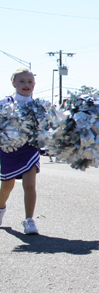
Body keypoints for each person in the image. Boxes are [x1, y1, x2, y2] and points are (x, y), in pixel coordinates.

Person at [0, 69, 42, 234]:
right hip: (9, 150)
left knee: (29, 184)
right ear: (13, 83)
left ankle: (29, 220)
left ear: (34, 85)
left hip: (29, 149)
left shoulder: (39, 106)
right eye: (22, 81)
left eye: (30, 82)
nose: (26, 85)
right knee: (6, 186)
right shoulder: (4, 103)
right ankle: (1, 208)